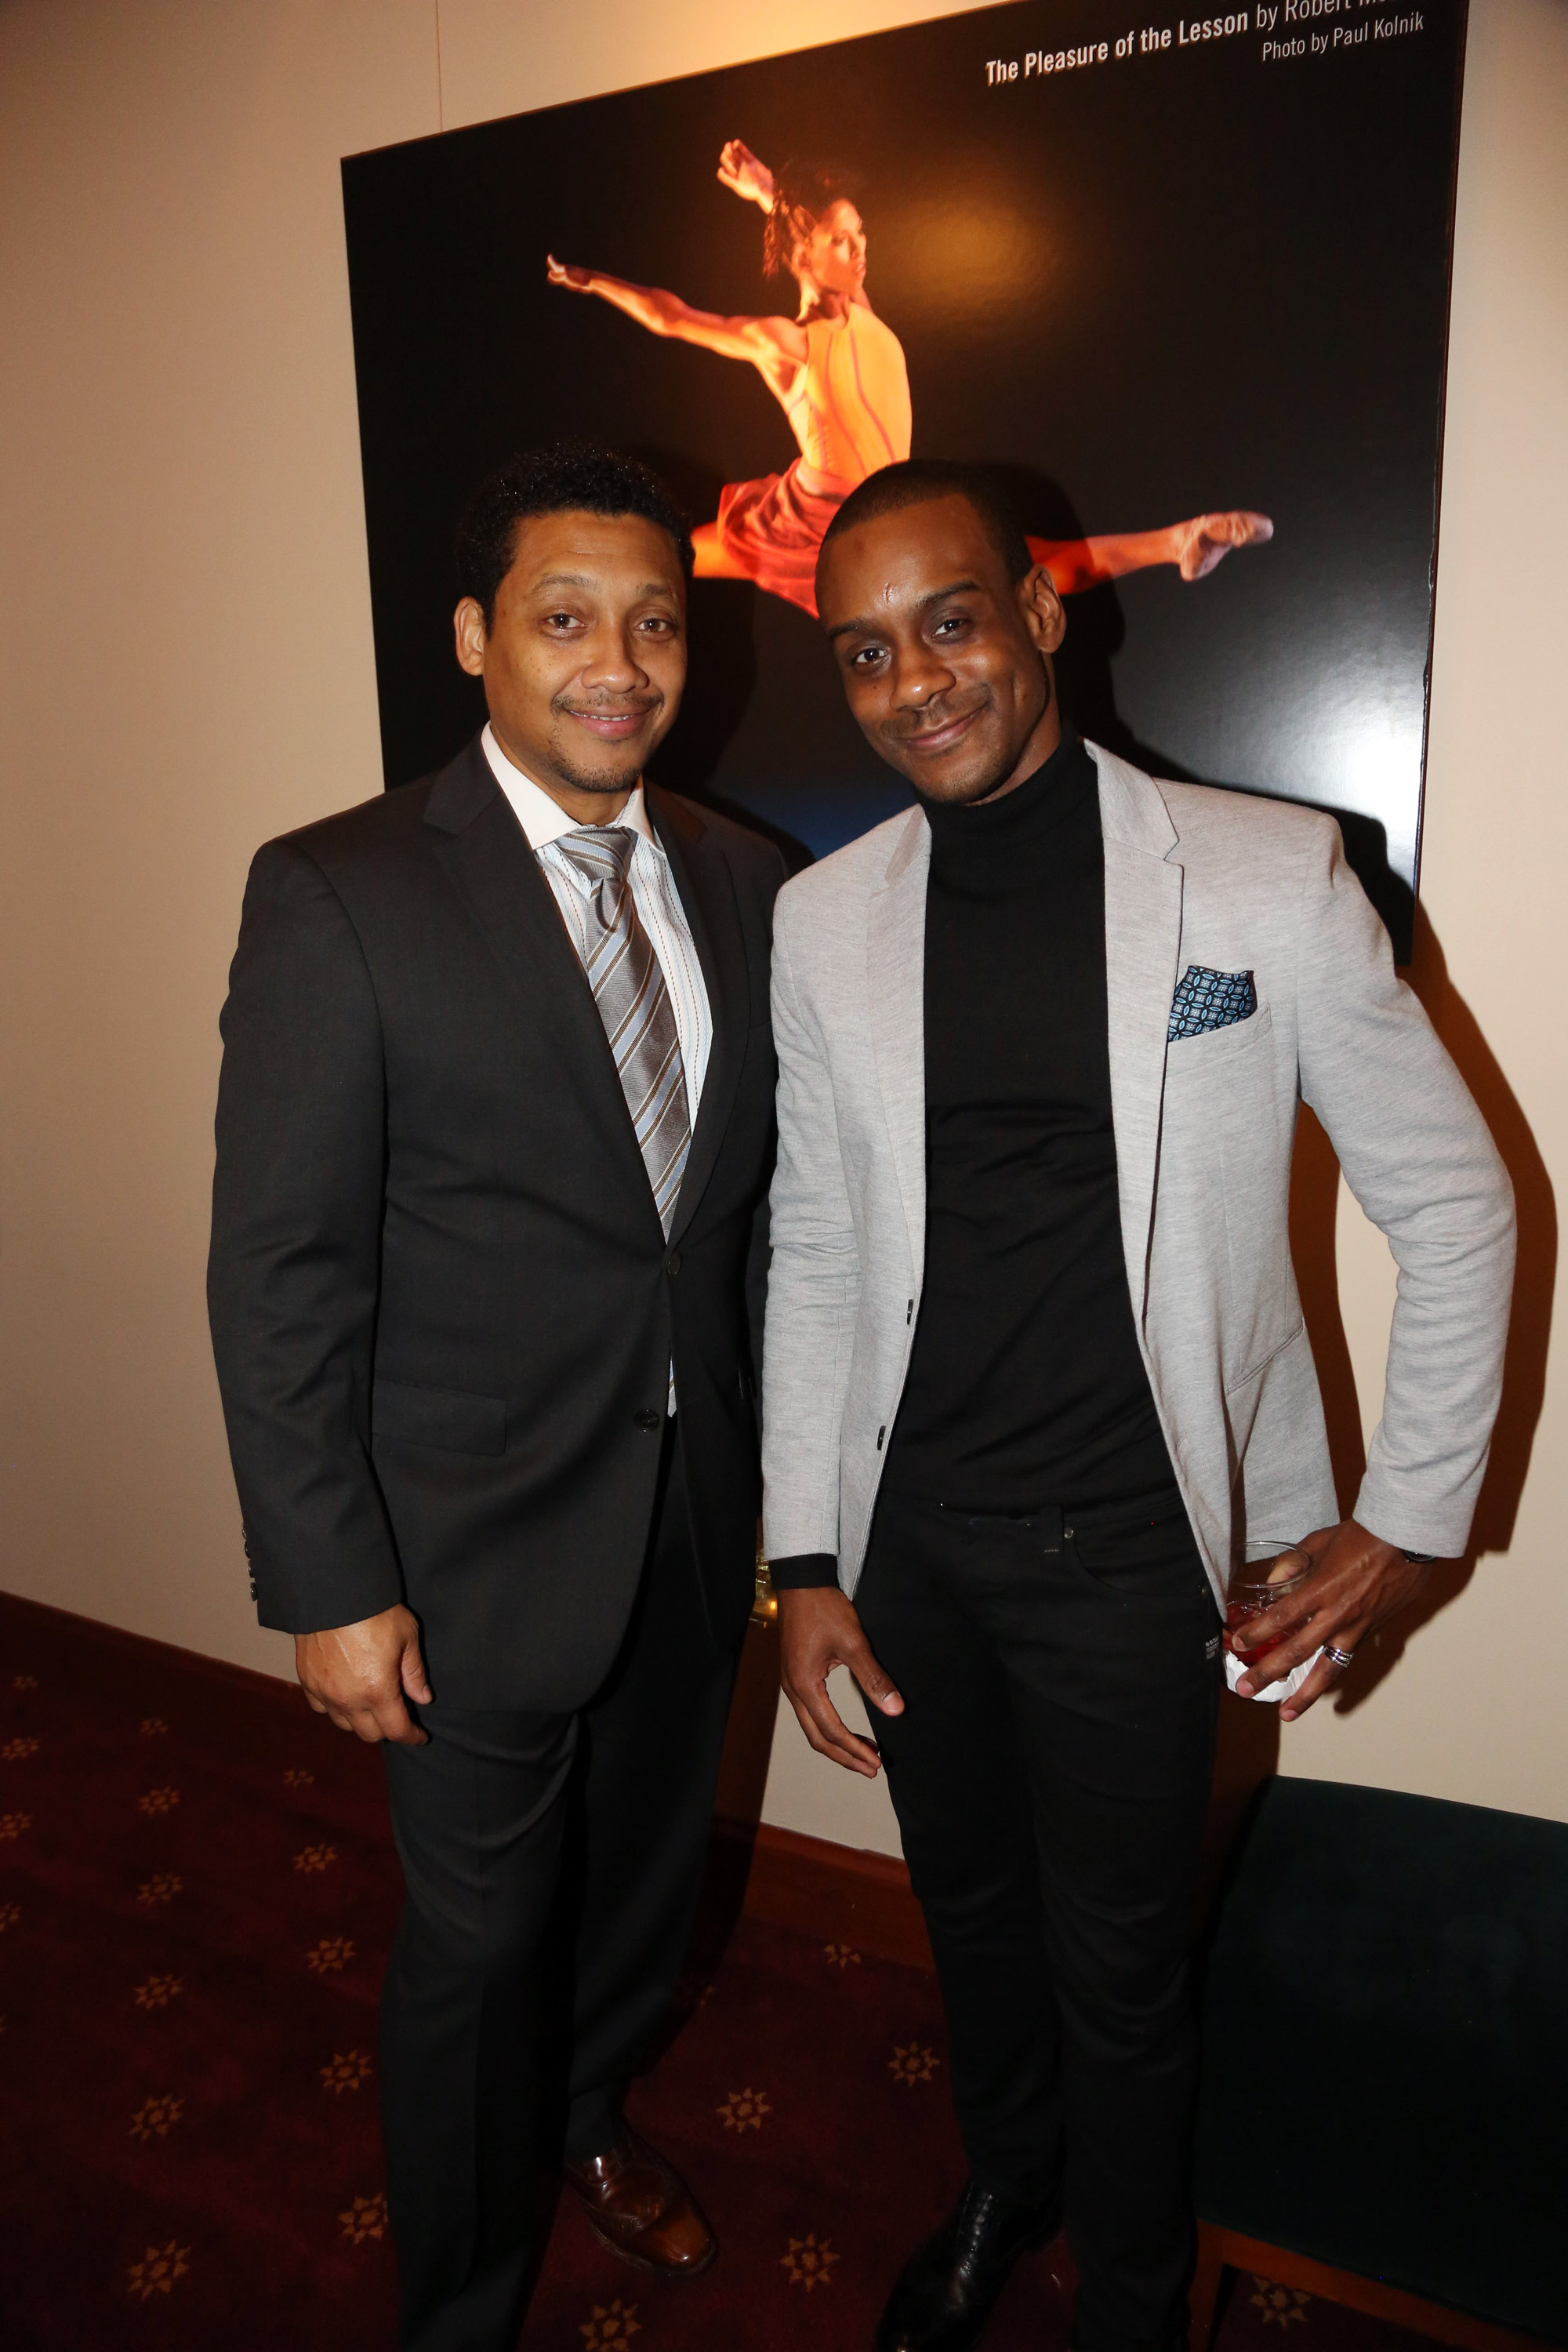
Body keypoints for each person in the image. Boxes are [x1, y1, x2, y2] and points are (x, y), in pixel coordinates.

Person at [759, 458, 1515, 2352]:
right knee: (972, 1916)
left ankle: (1127, 2292)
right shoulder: (822, 919)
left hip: (1133, 1548)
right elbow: (822, 1250)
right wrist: (799, 1558)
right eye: (862, 649)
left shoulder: (1258, 868)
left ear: (1038, 609)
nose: (911, 679)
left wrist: (1407, 1515)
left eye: (945, 622)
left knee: (1117, 1970)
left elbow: (1455, 1195)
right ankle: (1007, 2171)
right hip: (908, 1536)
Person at [207, 445, 786, 2352]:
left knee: (634, 1896)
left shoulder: (747, 882)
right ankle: (456, 2299)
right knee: (471, 1955)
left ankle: (595, 2114)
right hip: (451, 1568)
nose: (614, 661)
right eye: (563, 618)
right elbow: (281, 1265)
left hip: (691, 1535)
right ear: (473, 639)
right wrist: (325, 1579)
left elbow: (741, 1233)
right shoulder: (339, 891)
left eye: (650, 621)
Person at [546, 143, 1272, 617]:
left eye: (863, 236)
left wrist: (769, 194)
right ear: (806, 250)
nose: (860, 251)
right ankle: (571, 566)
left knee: (1023, 573)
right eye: (843, 240)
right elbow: (676, 319)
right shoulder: (789, 343)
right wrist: (595, 283)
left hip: (887, 506)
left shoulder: (862, 310)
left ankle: (1178, 541)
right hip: (815, 517)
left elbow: (811, 239)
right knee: (672, 552)